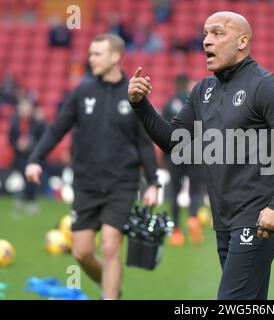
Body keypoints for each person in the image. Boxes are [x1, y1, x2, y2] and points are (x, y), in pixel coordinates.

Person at [128, 11, 274, 299]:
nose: (206, 41)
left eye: (217, 33)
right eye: (204, 34)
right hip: (224, 218)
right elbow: (175, 142)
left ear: (242, 42)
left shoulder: (267, 87)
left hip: (259, 218)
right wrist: (141, 105)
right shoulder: (203, 91)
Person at [25, 33, 159, 300]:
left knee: (110, 246)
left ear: (115, 57)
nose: (91, 59)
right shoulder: (82, 91)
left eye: (97, 54)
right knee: (82, 252)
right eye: (90, 53)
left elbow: (144, 143)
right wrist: (35, 159)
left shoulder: (132, 94)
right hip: (85, 183)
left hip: (122, 184)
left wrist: (153, 183)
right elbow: (56, 129)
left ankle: (109, 297)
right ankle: (111, 288)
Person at [162, 74, 205, 246]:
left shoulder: (168, 104)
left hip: (175, 154)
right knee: (195, 190)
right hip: (195, 152)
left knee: (175, 192)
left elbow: (162, 130)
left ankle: (177, 231)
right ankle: (193, 217)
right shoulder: (195, 102)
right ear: (187, 84)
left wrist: (165, 156)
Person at [9, 98, 46, 214]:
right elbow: (11, 139)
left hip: (32, 156)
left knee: (30, 178)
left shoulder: (38, 123)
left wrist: (30, 144)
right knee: (24, 179)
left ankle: (30, 201)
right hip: (19, 156)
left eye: (27, 109)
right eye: (22, 108)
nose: (24, 111)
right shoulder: (15, 124)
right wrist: (17, 145)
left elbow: (43, 139)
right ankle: (23, 199)